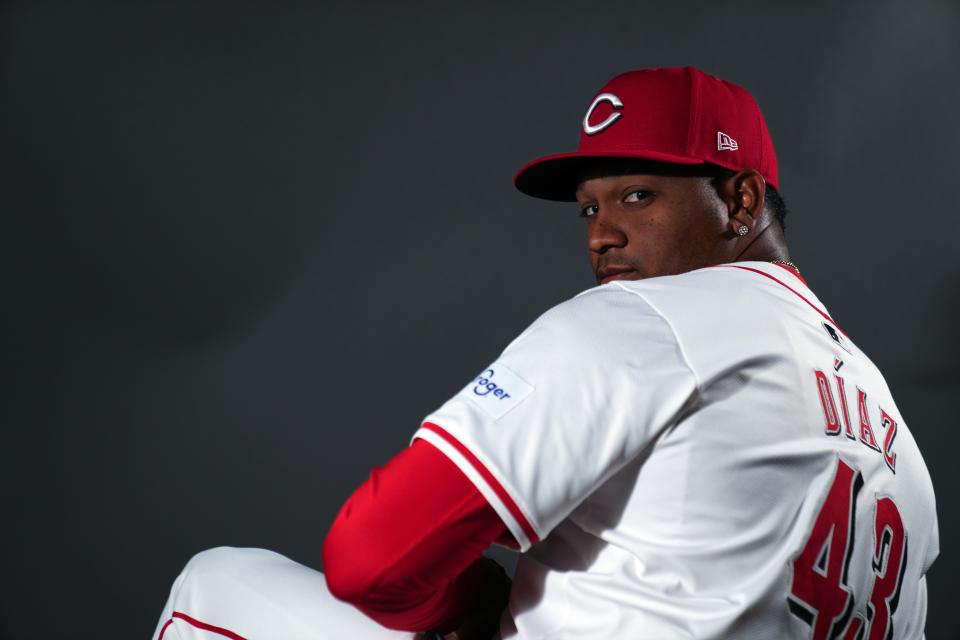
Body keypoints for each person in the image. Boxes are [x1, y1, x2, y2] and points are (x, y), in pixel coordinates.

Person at [152, 67, 939, 640]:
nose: (601, 232)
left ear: (739, 199)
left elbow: (372, 557)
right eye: (589, 207)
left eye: (638, 195)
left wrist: (469, 605)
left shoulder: (643, 322)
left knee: (215, 583)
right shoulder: (900, 446)